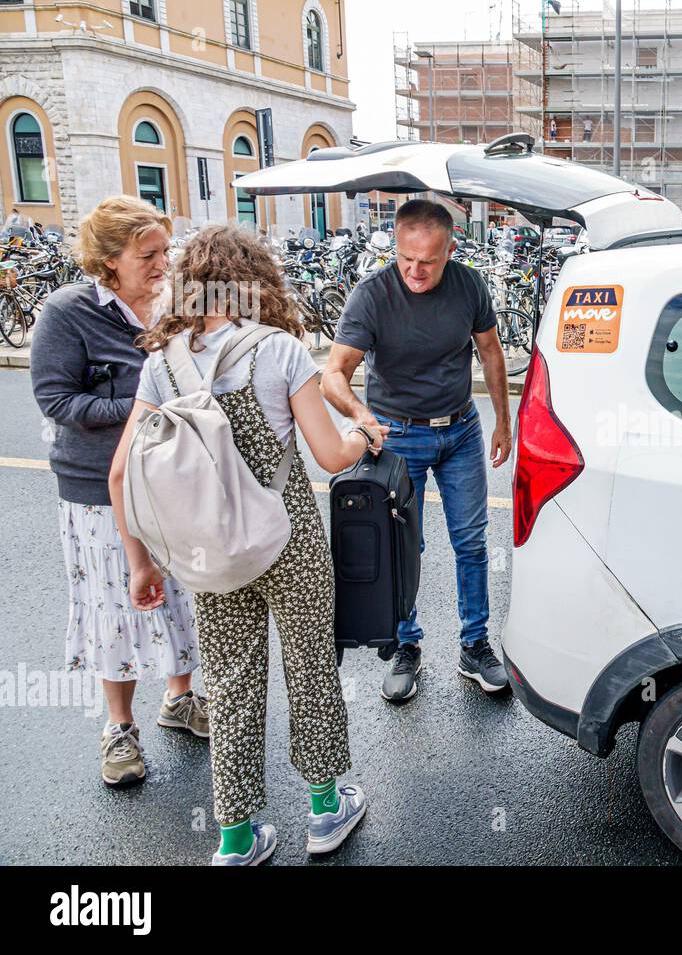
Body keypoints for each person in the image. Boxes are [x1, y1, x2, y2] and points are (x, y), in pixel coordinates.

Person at [110, 225, 382, 865]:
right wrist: (365, 431)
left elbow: (121, 473)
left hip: (209, 552)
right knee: (310, 668)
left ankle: (236, 839)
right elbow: (328, 454)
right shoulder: (282, 352)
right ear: (255, 282)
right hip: (287, 540)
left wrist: (141, 564)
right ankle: (323, 810)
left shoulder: (161, 365)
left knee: (230, 686)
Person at [30, 196, 205, 789]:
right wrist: (140, 410)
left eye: (165, 250)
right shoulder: (66, 312)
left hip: (173, 479)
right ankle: (119, 728)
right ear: (108, 262)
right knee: (118, 607)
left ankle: (179, 698)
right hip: (97, 487)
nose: (163, 263)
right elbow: (57, 400)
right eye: (148, 254)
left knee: (181, 593)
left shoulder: (171, 306)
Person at [323, 199, 512, 703]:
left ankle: (474, 645)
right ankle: (407, 645)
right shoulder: (373, 295)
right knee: (406, 548)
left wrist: (503, 423)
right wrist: (361, 416)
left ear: (451, 249)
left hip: (462, 431)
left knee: (471, 542)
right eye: (406, 258)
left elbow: (491, 352)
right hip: (397, 435)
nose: (415, 270)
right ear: (396, 244)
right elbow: (333, 374)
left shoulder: (470, 285)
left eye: (428, 260)